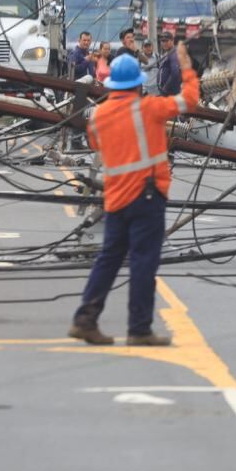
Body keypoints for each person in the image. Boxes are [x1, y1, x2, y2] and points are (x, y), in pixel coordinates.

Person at [68, 46, 198, 346]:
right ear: (138, 84)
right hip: (146, 198)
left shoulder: (99, 116)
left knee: (109, 259)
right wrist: (187, 69)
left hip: (116, 199)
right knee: (143, 262)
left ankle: (85, 319)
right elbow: (189, 100)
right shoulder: (149, 108)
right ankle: (139, 329)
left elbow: (95, 143)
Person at [155, 30, 181, 97]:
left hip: (170, 93)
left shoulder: (174, 54)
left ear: (172, 41)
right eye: (162, 41)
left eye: (166, 41)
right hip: (166, 93)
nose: (164, 43)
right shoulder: (167, 53)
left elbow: (175, 73)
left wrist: (165, 89)